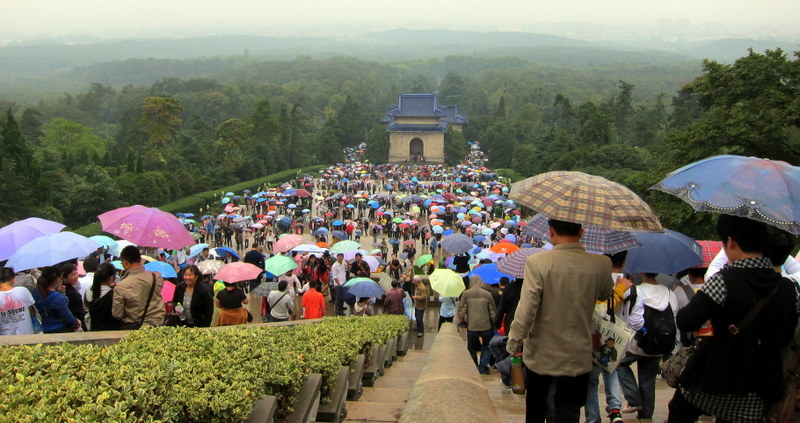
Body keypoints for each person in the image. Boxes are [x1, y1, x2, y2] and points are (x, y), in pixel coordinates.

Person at [667, 215, 800, 423]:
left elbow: (686, 321)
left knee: (679, 412)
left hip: (713, 378)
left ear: (730, 242)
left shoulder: (723, 280)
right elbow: (787, 335)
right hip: (759, 386)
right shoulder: (788, 289)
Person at [507, 219, 613, 423]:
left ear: (551, 231)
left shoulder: (538, 262)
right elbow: (605, 293)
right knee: (569, 411)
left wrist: (514, 342)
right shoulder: (601, 263)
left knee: (537, 409)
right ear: (581, 232)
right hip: (579, 355)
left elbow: (527, 308)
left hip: (542, 355)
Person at [617, 272, 678, 420]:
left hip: (637, 343)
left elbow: (636, 322)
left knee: (618, 364)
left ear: (642, 272)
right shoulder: (669, 292)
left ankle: (633, 398)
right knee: (648, 379)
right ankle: (645, 416)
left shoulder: (638, 291)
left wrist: (643, 330)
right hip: (659, 344)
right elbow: (674, 313)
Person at [112, 246, 165, 329]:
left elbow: (117, 314)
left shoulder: (121, 286)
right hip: (157, 326)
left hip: (134, 329)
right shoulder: (156, 277)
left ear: (125, 263)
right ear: (140, 259)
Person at [457, 276, 496, 374]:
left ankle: (473, 367)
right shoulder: (487, 294)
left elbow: (461, 311)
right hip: (486, 326)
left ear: (471, 283)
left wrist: (462, 320)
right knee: (486, 346)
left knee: (472, 348)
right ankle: (482, 367)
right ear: (481, 283)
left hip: (472, 327)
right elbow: (493, 312)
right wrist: (495, 324)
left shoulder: (466, 294)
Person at [33, 266, 80, 333]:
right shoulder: (58, 298)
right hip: (60, 329)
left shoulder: (36, 292)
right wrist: (77, 321)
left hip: (45, 328)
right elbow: (67, 317)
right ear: (58, 278)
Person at [84, 262, 122, 331]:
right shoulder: (113, 294)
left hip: (93, 329)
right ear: (111, 277)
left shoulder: (88, 291)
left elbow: (99, 294)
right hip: (111, 331)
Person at [0, 267, 36, 335]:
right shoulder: (23, 290)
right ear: (13, 279)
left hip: (5, 338)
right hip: (27, 335)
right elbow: (32, 312)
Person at [61, 263, 86, 331]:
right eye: (72, 275)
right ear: (64, 277)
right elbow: (79, 312)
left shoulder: (65, 288)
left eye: (76, 273)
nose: (76, 276)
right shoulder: (71, 292)